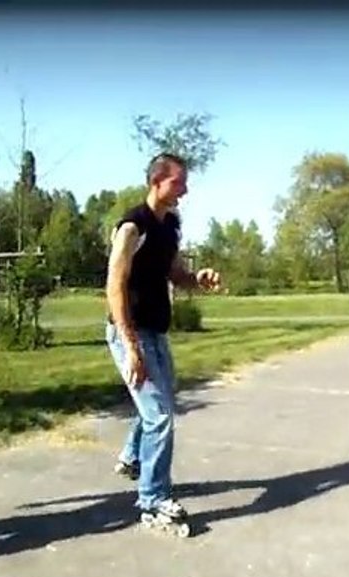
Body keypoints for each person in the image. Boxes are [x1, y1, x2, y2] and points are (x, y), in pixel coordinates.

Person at [104, 151, 221, 533]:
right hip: (131, 332)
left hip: (156, 330)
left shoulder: (170, 225)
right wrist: (130, 346)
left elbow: (173, 272)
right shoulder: (131, 228)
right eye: (178, 182)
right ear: (157, 182)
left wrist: (196, 278)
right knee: (160, 415)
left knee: (160, 404)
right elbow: (114, 287)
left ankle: (131, 457)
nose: (185, 190)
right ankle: (152, 499)